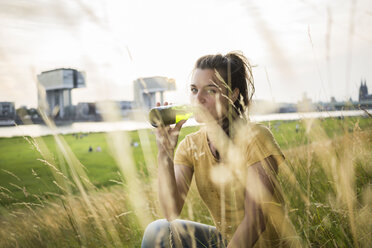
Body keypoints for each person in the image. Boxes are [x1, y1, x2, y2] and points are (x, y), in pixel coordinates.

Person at [142, 52, 300, 248]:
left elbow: (255, 221)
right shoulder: (190, 146)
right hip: (227, 243)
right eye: (193, 90)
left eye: (210, 91)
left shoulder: (256, 138)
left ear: (232, 95)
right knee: (158, 231)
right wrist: (165, 154)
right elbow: (170, 212)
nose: (198, 99)